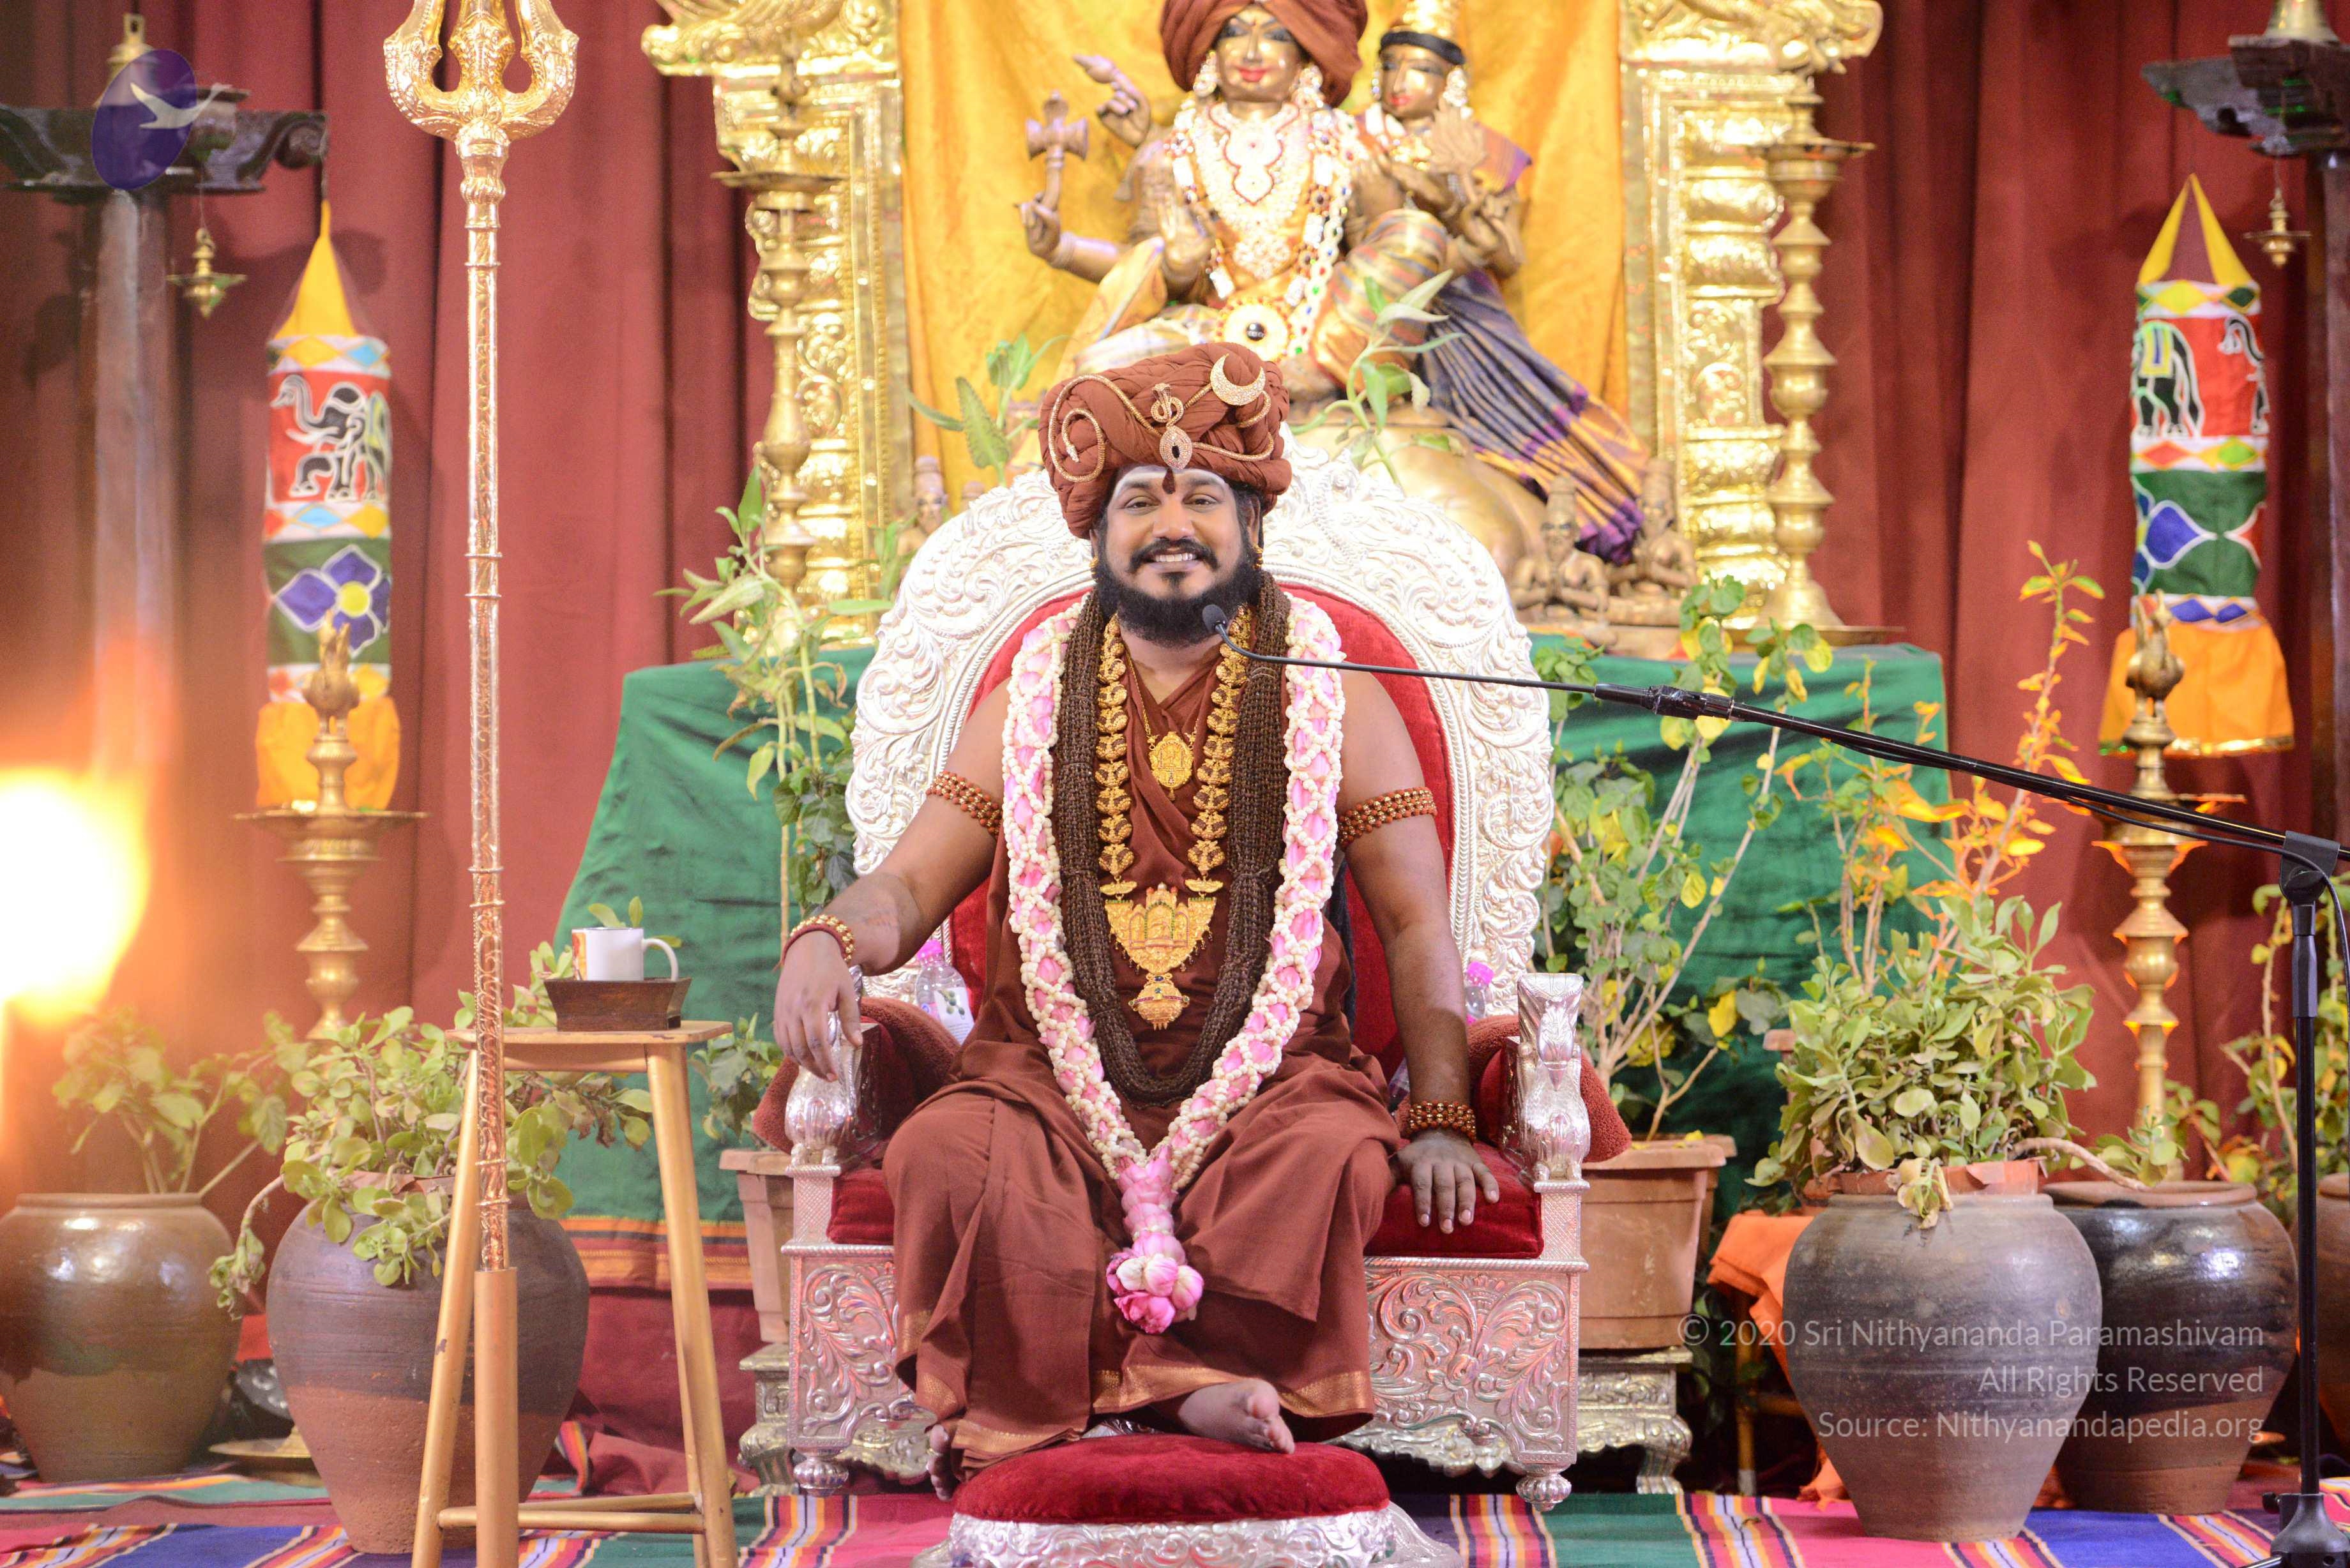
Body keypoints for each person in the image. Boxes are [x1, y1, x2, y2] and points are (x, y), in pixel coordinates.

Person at [769, 342, 1615, 1486]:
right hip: (1045, 1080)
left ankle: (1107, 1396)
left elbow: (1417, 924)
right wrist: (827, 938)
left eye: (1203, 497)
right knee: (947, 1153)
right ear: (1098, 535)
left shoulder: (1334, 693)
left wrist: (1440, 1112)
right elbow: (912, 887)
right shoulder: (1029, 697)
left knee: (1331, 1159)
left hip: (1277, 1086)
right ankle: (1182, 1392)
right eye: (1140, 501)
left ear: (1250, 524)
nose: (1174, 525)